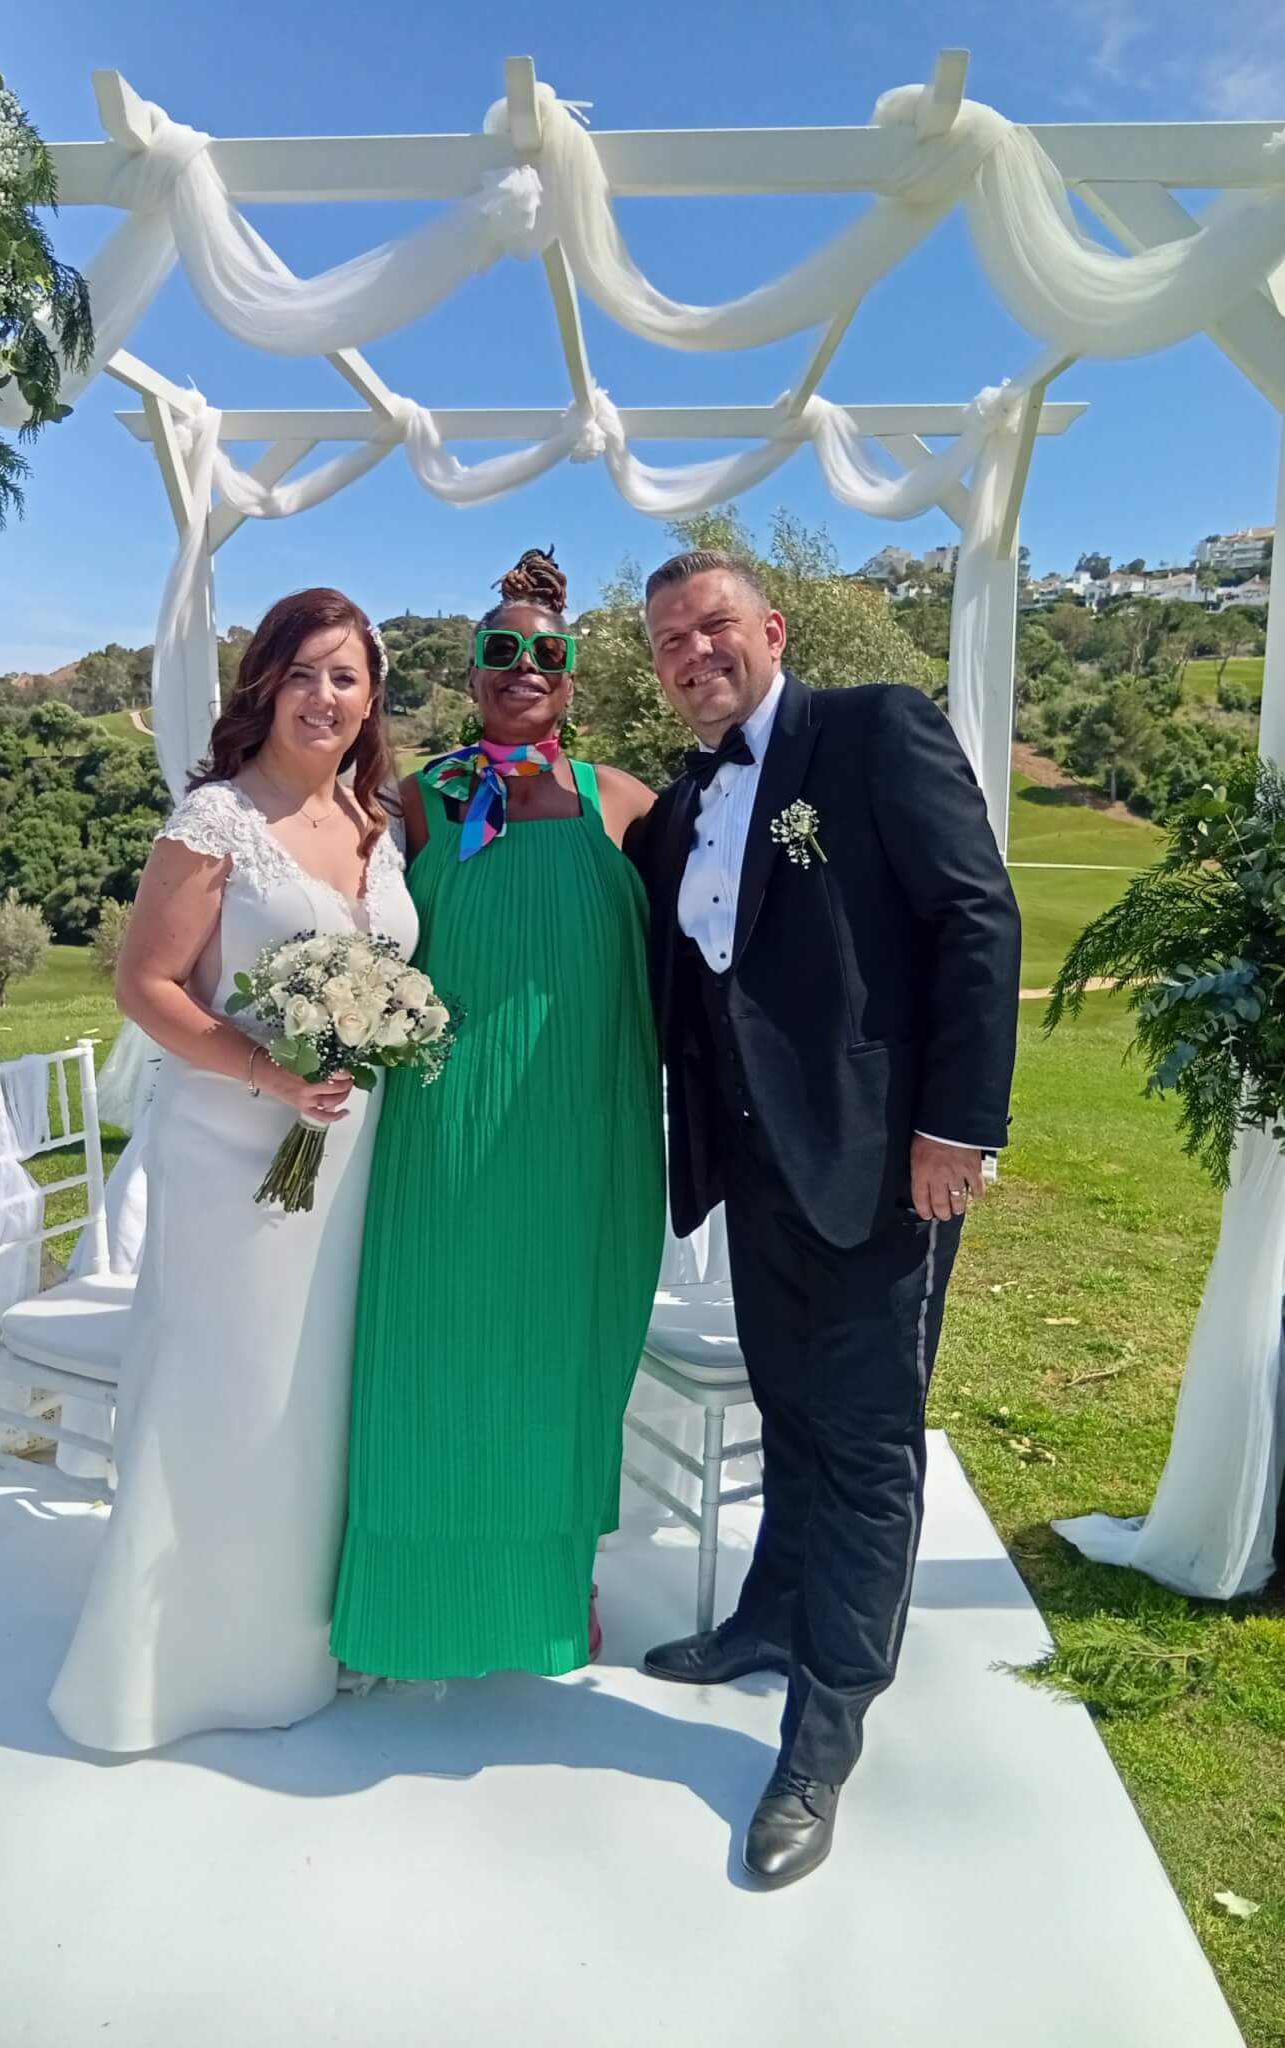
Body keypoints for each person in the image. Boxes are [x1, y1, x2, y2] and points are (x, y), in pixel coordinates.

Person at [627, 550, 1020, 1887]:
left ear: (772, 628)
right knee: (790, 1412)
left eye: (712, 625)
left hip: (880, 1163)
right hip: (757, 1171)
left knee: (864, 1441)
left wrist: (956, 1126)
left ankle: (825, 1725)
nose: (694, 653)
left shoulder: (871, 729)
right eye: (670, 640)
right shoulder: (681, 806)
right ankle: (771, 1613)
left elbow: (975, 918)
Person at [49, 589, 417, 1751]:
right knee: (231, 1391)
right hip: (233, 1155)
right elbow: (144, 983)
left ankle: (297, 1637)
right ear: (264, 685)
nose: (324, 696)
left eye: (345, 676)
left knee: (315, 1396)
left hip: (347, 1160)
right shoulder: (216, 818)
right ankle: (188, 1666)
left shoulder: (375, 818)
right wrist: (267, 1070)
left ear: (372, 697)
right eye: (302, 672)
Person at [329, 548, 664, 1680]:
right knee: (435, 1353)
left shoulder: (624, 803)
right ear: (471, 672)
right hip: (445, 1134)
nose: (525, 666)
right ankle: (411, 1606)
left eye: (546, 654)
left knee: (563, 1359)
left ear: (571, 678)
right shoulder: (418, 802)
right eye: (502, 649)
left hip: (588, 1134)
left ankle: (555, 1584)